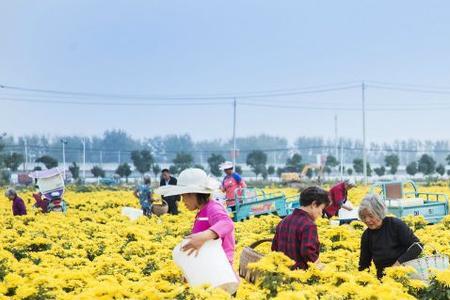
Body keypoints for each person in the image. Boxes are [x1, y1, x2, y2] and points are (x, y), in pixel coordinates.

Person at [155, 168, 235, 264]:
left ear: (193, 194)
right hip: (208, 264)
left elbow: (227, 223)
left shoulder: (213, 208)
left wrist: (202, 237)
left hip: (220, 267)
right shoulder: (203, 210)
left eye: (183, 196)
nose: (182, 201)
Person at [358, 194, 423, 279]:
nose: (367, 220)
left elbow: (417, 246)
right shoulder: (366, 235)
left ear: (379, 212)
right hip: (384, 280)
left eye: (370, 216)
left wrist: (397, 265)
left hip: (406, 275)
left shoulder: (395, 225)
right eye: (363, 217)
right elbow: (364, 264)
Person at [272, 186, 330, 269]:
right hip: (301, 275)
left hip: (282, 273)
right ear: (314, 204)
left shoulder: (284, 221)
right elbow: (308, 252)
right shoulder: (309, 225)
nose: (321, 213)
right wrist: (319, 267)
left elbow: (274, 248)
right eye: (321, 209)